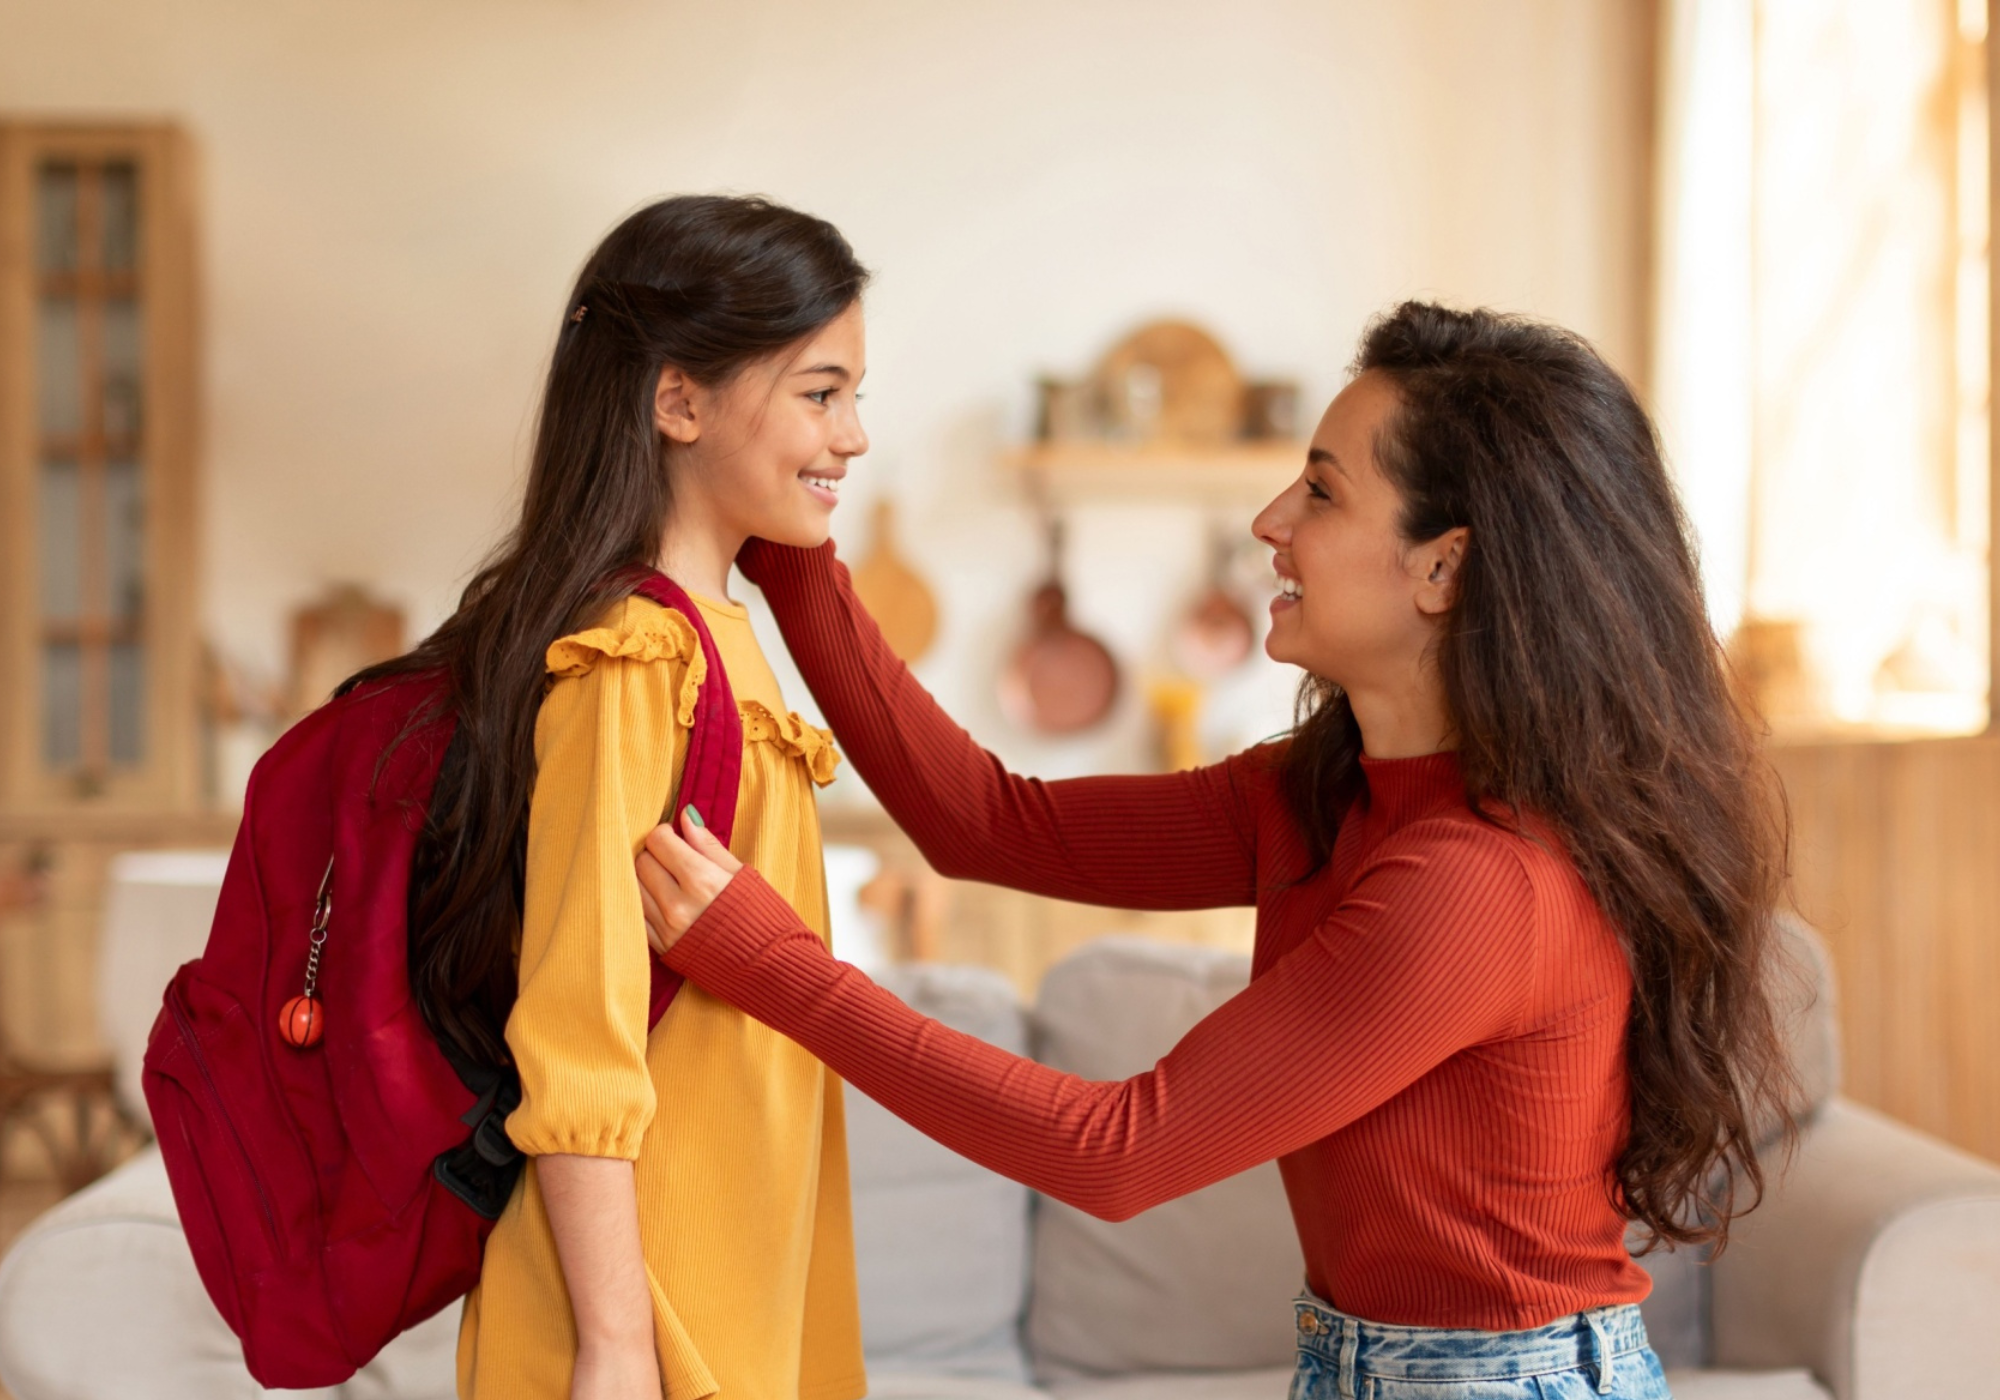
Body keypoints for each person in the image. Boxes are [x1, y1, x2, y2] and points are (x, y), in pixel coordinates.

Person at [634, 302, 1798, 1400]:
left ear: (1442, 568)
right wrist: (787, 550)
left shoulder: (1481, 882)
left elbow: (1116, 1151)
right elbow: (983, 821)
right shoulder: (1323, 796)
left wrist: (771, 963)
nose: (1270, 521)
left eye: (1323, 494)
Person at [353, 194, 873, 1400]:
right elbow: (576, 1027)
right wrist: (617, 1344)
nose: (850, 437)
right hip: (651, 1300)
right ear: (677, 400)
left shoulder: (725, 637)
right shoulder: (635, 661)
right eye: (818, 392)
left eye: (856, 398)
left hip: (739, 1259)